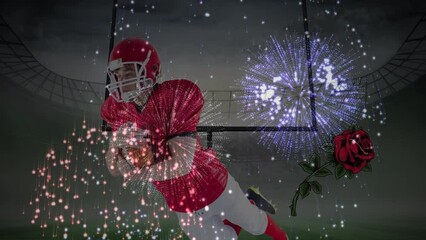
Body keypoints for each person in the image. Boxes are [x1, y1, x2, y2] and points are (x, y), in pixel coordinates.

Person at [101, 37, 288, 240]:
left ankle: (281, 236)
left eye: (128, 73)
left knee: (256, 224)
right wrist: (115, 144)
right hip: (182, 204)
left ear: (150, 70)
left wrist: (138, 174)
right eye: (118, 75)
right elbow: (114, 169)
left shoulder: (175, 97)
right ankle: (249, 198)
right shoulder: (117, 110)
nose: (122, 81)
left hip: (212, 185)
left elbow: (182, 164)